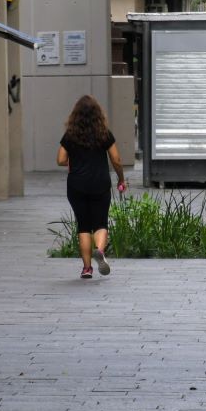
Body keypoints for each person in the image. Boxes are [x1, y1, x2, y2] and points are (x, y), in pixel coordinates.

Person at [57, 95, 126, 279]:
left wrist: (76, 161)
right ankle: (100, 251)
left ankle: (87, 268)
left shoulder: (70, 135)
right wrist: (121, 179)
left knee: (84, 226)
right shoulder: (104, 133)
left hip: (76, 185)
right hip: (100, 183)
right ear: (98, 114)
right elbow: (116, 160)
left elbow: (60, 160)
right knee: (100, 223)